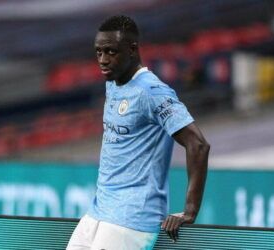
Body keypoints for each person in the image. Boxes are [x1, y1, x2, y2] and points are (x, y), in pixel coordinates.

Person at [67, 15, 210, 250]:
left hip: (131, 220)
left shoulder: (152, 92)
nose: (103, 60)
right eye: (98, 52)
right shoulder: (113, 82)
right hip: (98, 212)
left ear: (132, 50)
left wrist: (189, 211)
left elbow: (199, 144)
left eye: (111, 52)